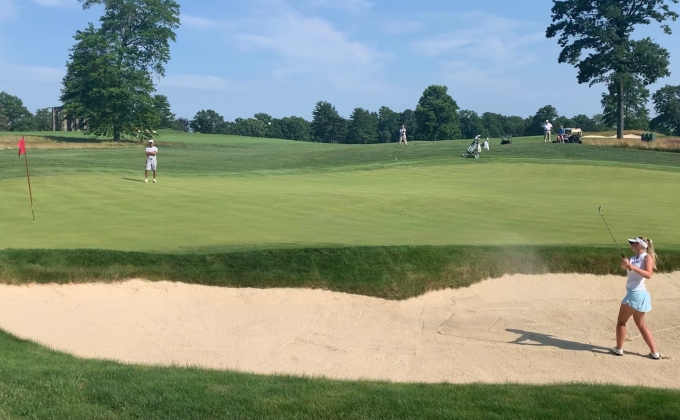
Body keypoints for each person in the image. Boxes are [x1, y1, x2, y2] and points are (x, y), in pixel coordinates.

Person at [611, 237, 660, 359]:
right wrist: (626, 264)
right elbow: (625, 267)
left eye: (633, 243)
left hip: (636, 294)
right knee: (641, 324)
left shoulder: (647, 257)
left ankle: (619, 349)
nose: (631, 244)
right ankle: (655, 353)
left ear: (639, 245)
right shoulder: (633, 258)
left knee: (621, 322)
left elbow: (648, 274)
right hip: (638, 295)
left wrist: (632, 267)